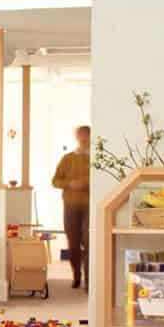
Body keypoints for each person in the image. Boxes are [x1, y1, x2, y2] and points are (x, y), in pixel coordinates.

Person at [52, 124, 92, 290]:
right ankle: (76, 276)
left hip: (89, 206)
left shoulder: (96, 159)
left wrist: (86, 183)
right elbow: (55, 181)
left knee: (89, 242)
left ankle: (89, 280)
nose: (83, 138)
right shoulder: (67, 158)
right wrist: (69, 183)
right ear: (77, 137)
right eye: (80, 135)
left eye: (86, 135)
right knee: (73, 242)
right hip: (70, 206)